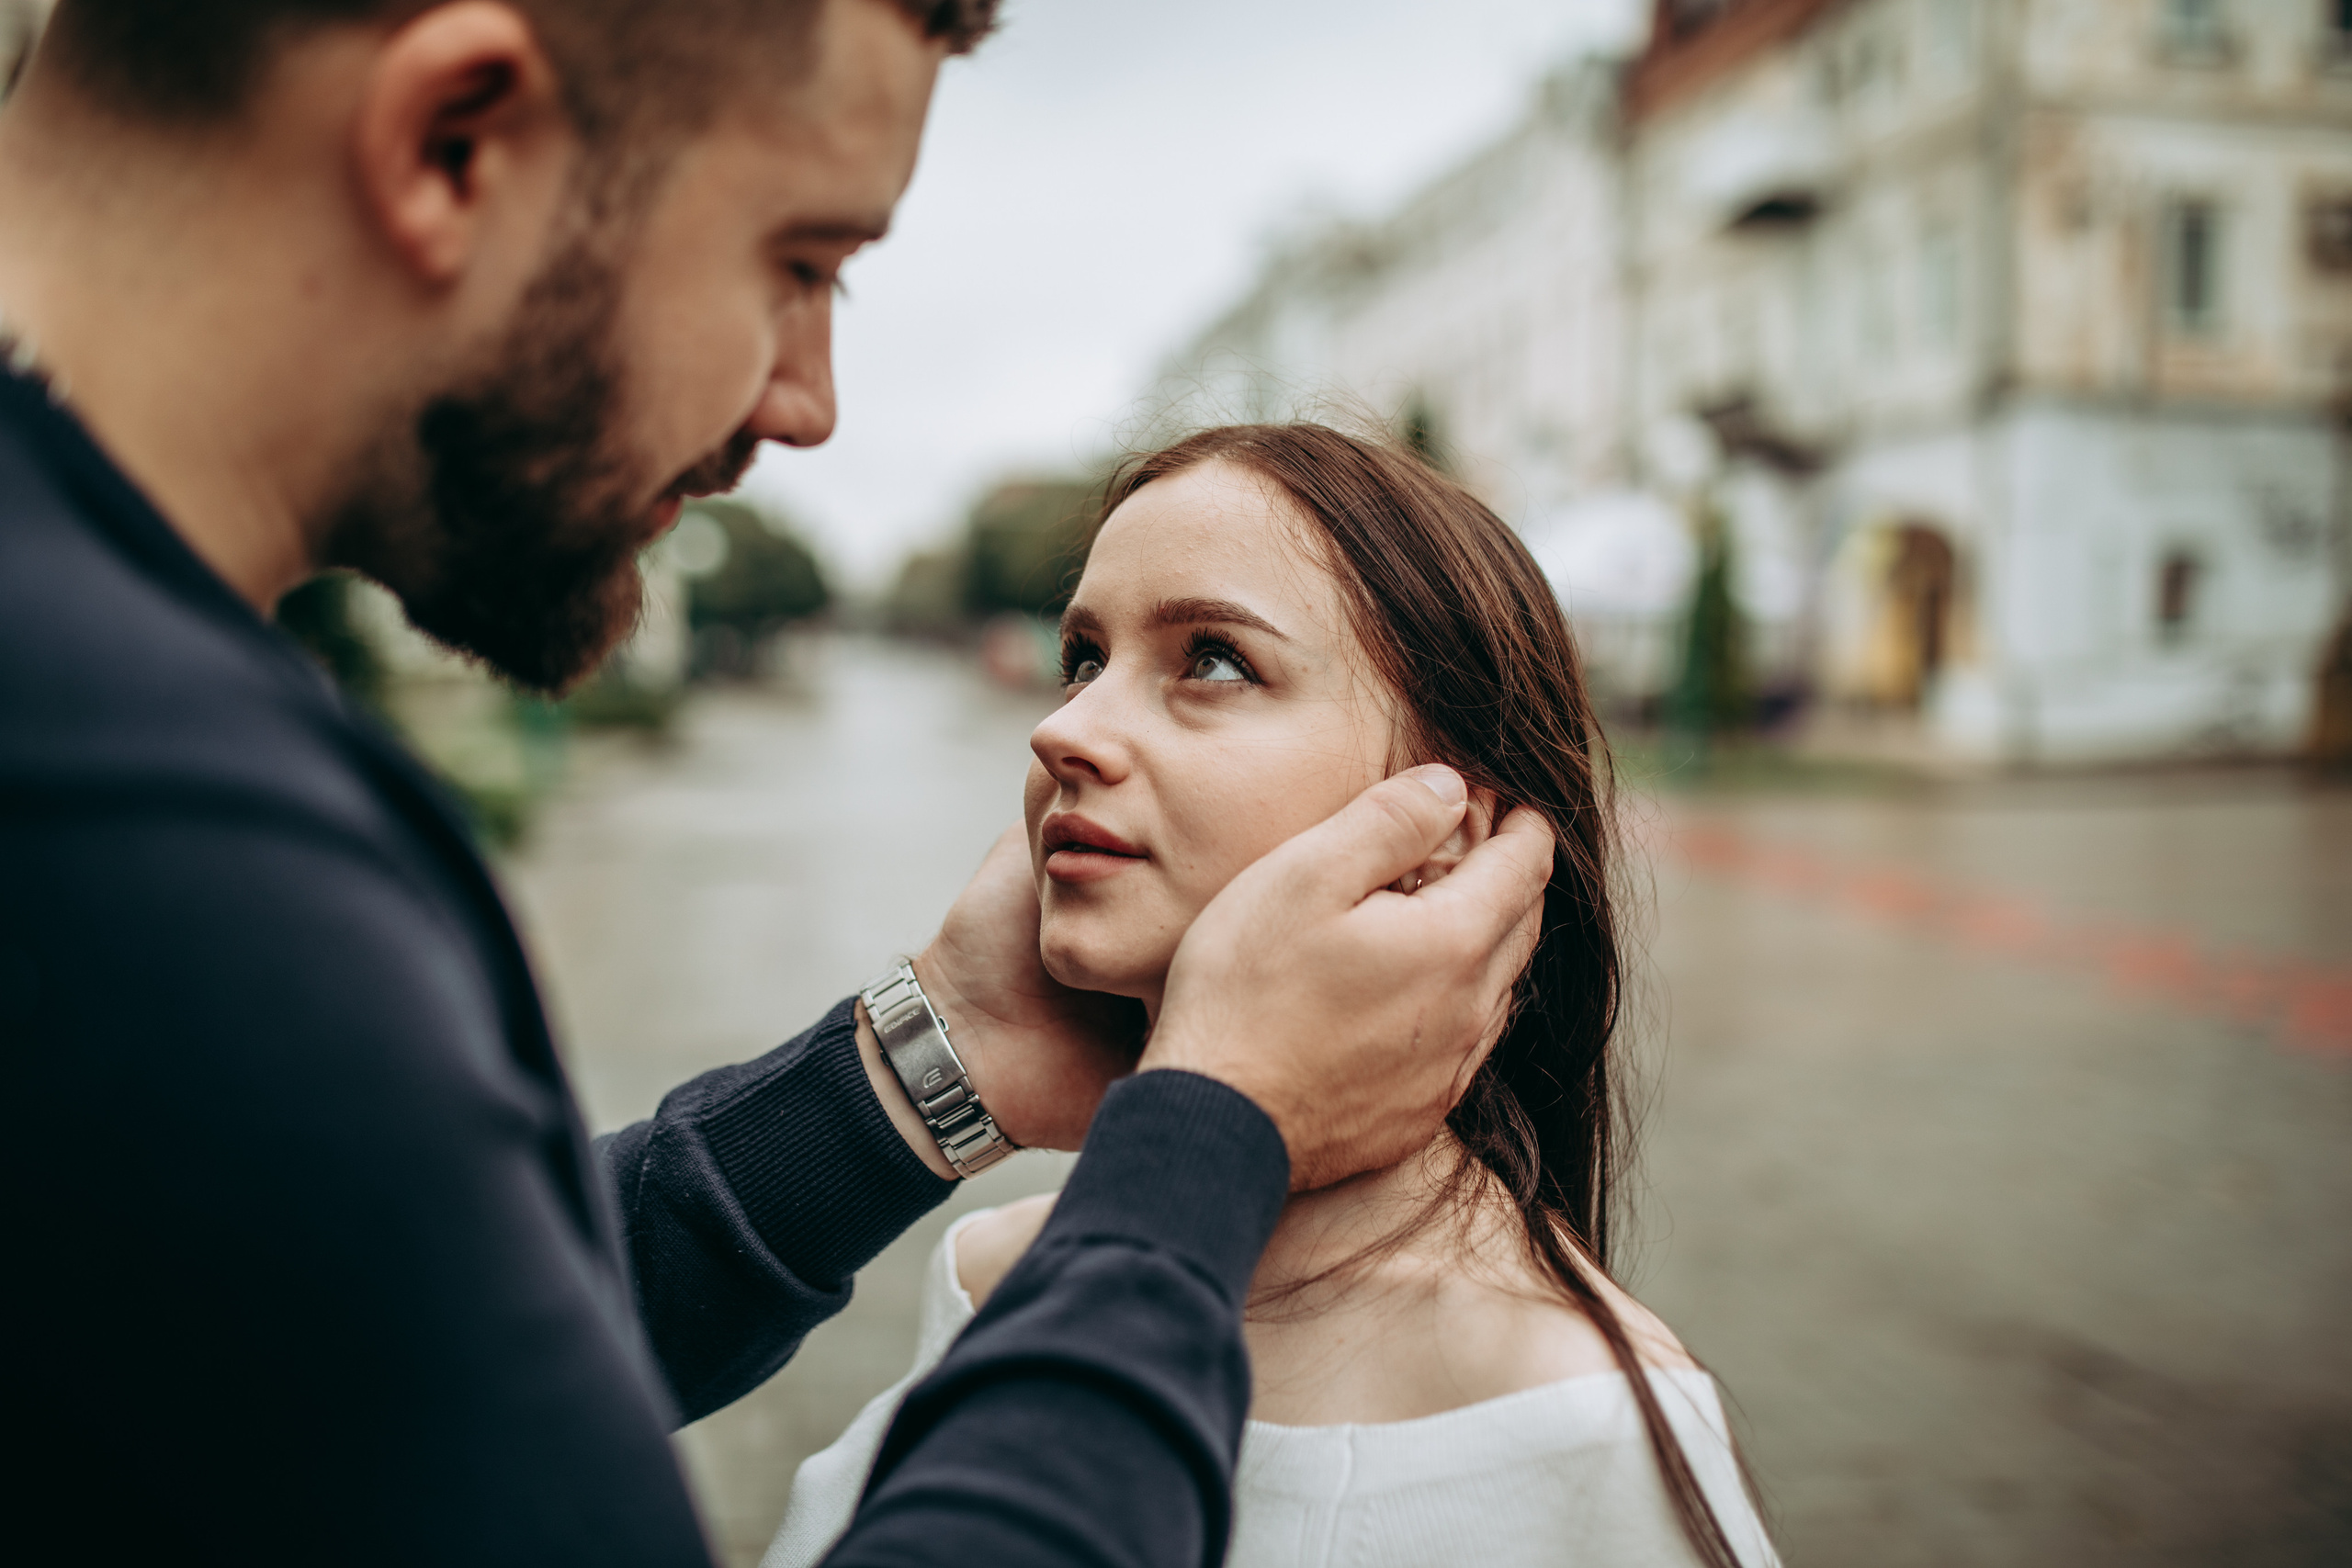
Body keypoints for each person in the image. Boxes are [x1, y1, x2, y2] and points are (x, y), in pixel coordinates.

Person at [0, 4, 1555, 1564]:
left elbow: (329, 1362)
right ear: (454, 143)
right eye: (799, 261)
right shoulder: (140, 828)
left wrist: (925, 1065)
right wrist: (1213, 1132)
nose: (804, 402)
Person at [767, 424, 1781, 1568]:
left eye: (1210, 660)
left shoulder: (1569, 1416)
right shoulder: (995, 1271)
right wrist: (943, 1044)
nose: (1062, 729)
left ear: (1454, 831)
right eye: (1085, 657)